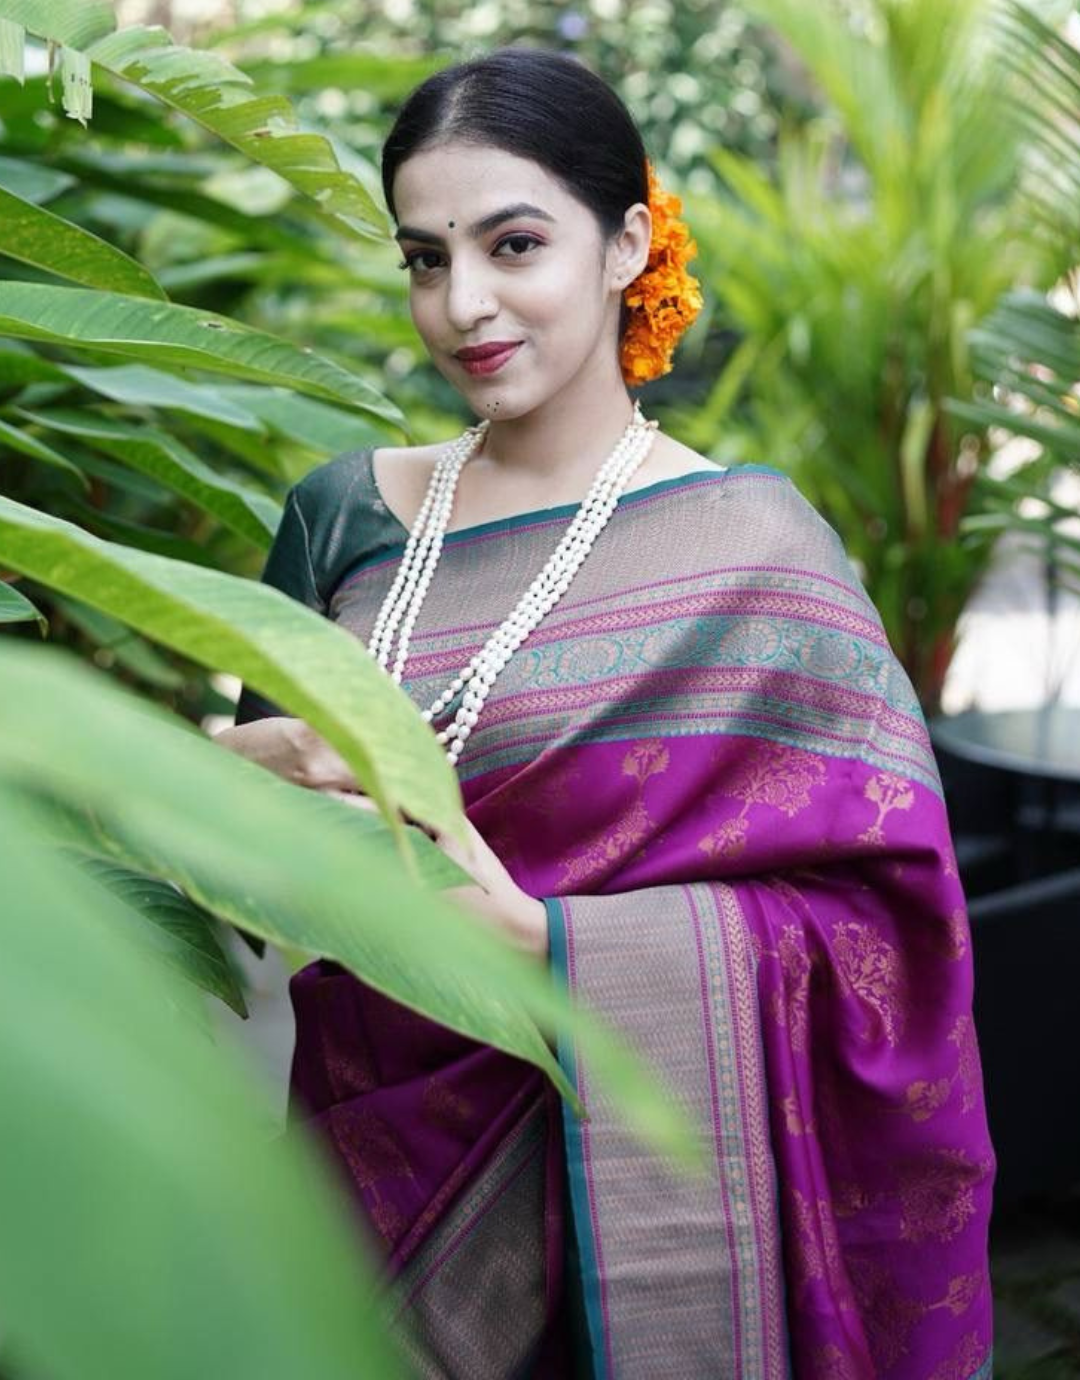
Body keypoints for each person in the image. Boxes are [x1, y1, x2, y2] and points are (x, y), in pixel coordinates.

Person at [216, 46, 995, 1380]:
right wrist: (243, 763)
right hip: (365, 1174)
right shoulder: (339, 517)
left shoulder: (758, 552)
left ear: (629, 239)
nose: (464, 303)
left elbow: (891, 929)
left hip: (633, 1193)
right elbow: (229, 866)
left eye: (514, 244)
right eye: (423, 258)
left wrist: (546, 941)